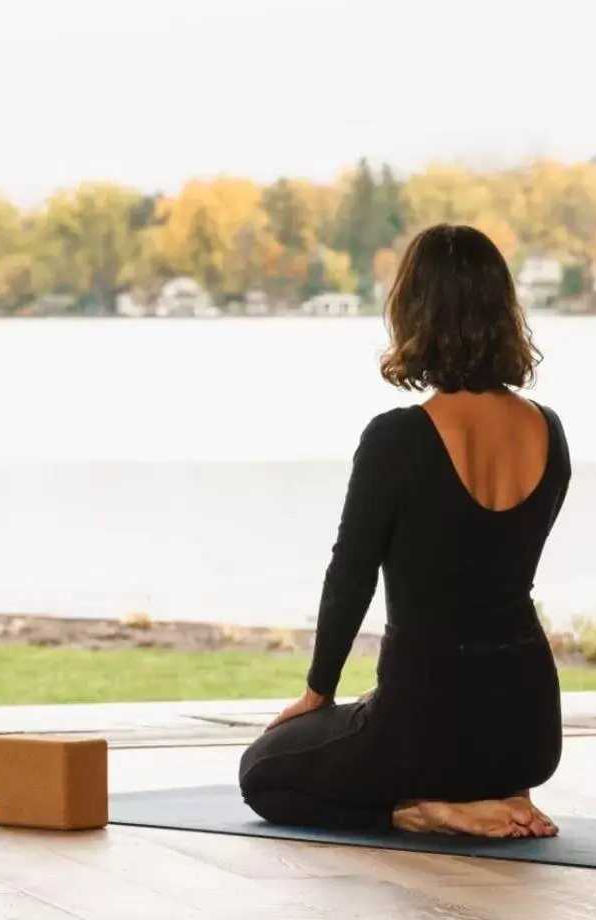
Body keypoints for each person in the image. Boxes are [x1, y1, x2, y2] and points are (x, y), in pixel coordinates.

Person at [237, 223, 570, 839]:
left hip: (427, 728)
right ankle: (486, 792)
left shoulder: (396, 437)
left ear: (413, 312)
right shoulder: (548, 430)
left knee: (262, 771)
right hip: (528, 733)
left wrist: (317, 694)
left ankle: (422, 811)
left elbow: (351, 574)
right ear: (504, 311)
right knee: (379, 722)